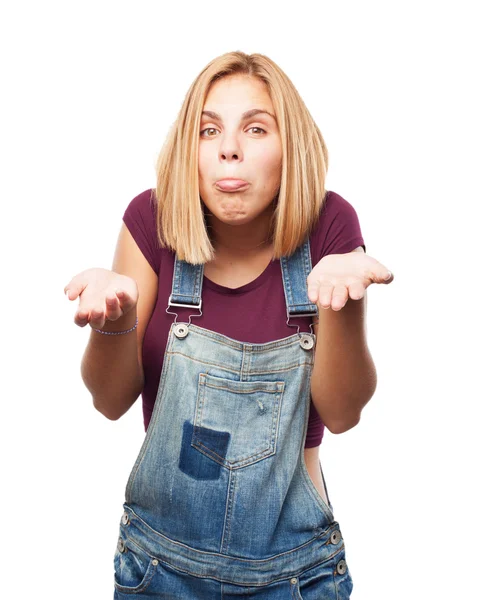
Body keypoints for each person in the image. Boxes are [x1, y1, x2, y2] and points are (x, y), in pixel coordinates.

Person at [64, 51, 393, 599]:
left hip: (296, 577)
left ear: (292, 148)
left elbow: (343, 412)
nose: (229, 147)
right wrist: (113, 322)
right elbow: (109, 400)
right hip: (157, 573)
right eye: (208, 129)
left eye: (256, 128)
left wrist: (343, 304)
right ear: (188, 149)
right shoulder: (151, 223)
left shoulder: (331, 226)